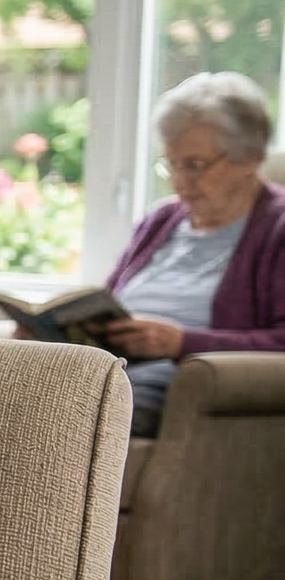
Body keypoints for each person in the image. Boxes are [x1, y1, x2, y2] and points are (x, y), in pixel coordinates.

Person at [97, 72, 284, 437]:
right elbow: (105, 302)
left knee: (71, 416)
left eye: (195, 165)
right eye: (172, 164)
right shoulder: (161, 219)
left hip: (173, 377)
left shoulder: (277, 228)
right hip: (110, 367)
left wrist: (181, 343)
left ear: (250, 158)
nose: (180, 181)